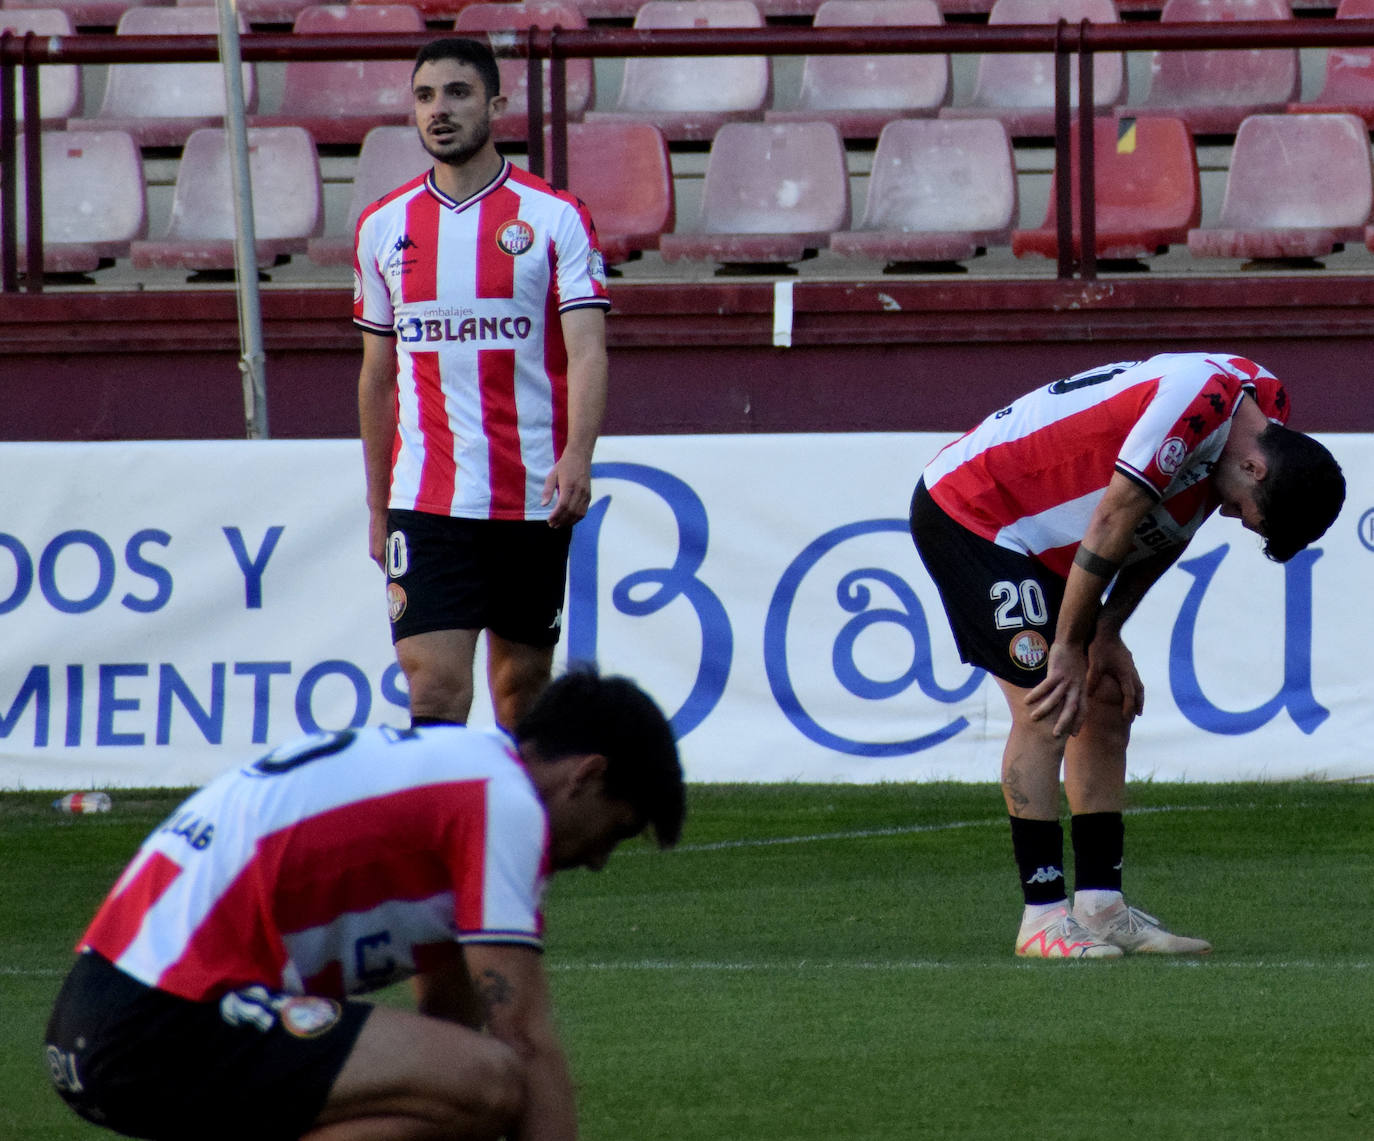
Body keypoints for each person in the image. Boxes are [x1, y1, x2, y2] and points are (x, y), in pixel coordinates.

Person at [45, 665, 684, 1141]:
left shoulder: (465, 775)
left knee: (462, 1091)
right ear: (587, 776)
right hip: (161, 1017)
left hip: (112, 1015)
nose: (601, 858)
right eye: (618, 830)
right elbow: (525, 1042)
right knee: (498, 1080)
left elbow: (447, 1029)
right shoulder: (504, 800)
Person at [909, 352, 1345, 959]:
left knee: (1104, 698)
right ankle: (1041, 917)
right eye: (1246, 510)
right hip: (980, 514)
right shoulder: (1197, 402)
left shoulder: (1263, 413)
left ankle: (1101, 908)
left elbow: (1173, 524)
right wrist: (1067, 647)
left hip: (1055, 539)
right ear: (1255, 465)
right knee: (1048, 699)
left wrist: (1107, 631)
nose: (1229, 513)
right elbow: (1116, 517)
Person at [355, 36, 611, 731]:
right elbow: (378, 377)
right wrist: (379, 503)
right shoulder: (383, 228)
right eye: (425, 96)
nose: (439, 111)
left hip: (529, 495)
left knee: (521, 692)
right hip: (427, 498)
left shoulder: (555, 217)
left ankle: (515, 834)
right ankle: (442, 835)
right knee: (434, 691)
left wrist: (579, 455)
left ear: (497, 104)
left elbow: (588, 350)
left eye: (458, 93)